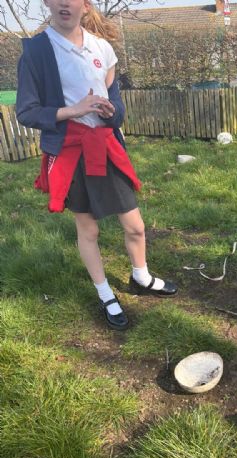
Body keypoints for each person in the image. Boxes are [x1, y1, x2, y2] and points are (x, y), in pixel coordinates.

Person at [16, 0, 177, 331]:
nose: (64, 2)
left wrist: (111, 111)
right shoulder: (37, 51)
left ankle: (141, 277)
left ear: (85, 5)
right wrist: (73, 110)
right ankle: (105, 294)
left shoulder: (102, 48)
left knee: (135, 226)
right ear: (47, 2)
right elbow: (27, 112)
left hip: (106, 147)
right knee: (89, 230)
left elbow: (117, 104)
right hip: (71, 152)